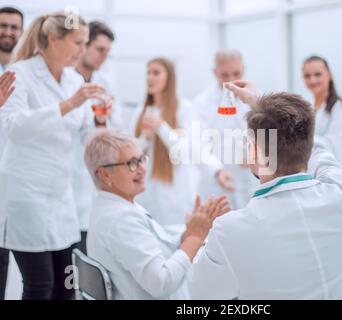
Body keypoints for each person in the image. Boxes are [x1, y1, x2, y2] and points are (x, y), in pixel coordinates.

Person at [188, 82, 342, 299]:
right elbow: (317, 148)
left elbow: (198, 298)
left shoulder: (229, 230)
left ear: (254, 151)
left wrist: (195, 237)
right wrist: (260, 103)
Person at [0, 12, 107, 300]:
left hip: (61, 195)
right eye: (76, 42)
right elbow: (14, 127)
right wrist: (69, 104)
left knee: (66, 286)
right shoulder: (19, 74)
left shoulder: (74, 80)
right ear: (52, 38)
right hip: (26, 193)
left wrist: (103, 123)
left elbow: (86, 136)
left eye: (85, 43)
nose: (82, 51)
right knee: (39, 284)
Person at [85, 129, 230, 299]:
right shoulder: (120, 220)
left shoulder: (114, 207)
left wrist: (188, 235)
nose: (142, 169)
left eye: (142, 160)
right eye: (132, 163)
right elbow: (162, 283)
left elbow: (157, 251)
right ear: (105, 174)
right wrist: (195, 238)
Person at [133, 57, 233, 229]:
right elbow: (133, 153)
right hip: (148, 191)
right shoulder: (140, 111)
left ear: (169, 78)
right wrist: (146, 137)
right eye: (148, 73)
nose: (150, 77)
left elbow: (189, 150)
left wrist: (161, 127)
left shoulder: (185, 109)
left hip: (175, 192)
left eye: (156, 73)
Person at [72, 20, 121, 254]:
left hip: (93, 179)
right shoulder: (65, 80)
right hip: (68, 175)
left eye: (108, 52)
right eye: (100, 49)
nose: (104, 56)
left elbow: (117, 128)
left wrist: (103, 121)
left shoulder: (106, 83)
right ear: (84, 46)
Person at [193, 49, 257, 209]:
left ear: (244, 69)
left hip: (251, 179)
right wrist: (217, 170)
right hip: (216, 180)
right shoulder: (201, 104)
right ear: (215, 72)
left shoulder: (257, 98)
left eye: (236, 73)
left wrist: (256, 153)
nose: (232, 80)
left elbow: (270, 134)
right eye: (225, 75)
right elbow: (198, 144)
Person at [0, 6, 23, 300]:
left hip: (12, 181)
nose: (7, 32)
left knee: (3, 256)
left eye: (13, 27)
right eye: (3, 26)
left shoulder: (23, 73)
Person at [302, 56, 342, 163]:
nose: (312, 80)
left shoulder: (340, 108)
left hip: (329, 171)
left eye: (318, 74)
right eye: (307, 76)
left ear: (329, 75)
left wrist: (298, 139)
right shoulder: (306, 106)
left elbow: (331, 145)